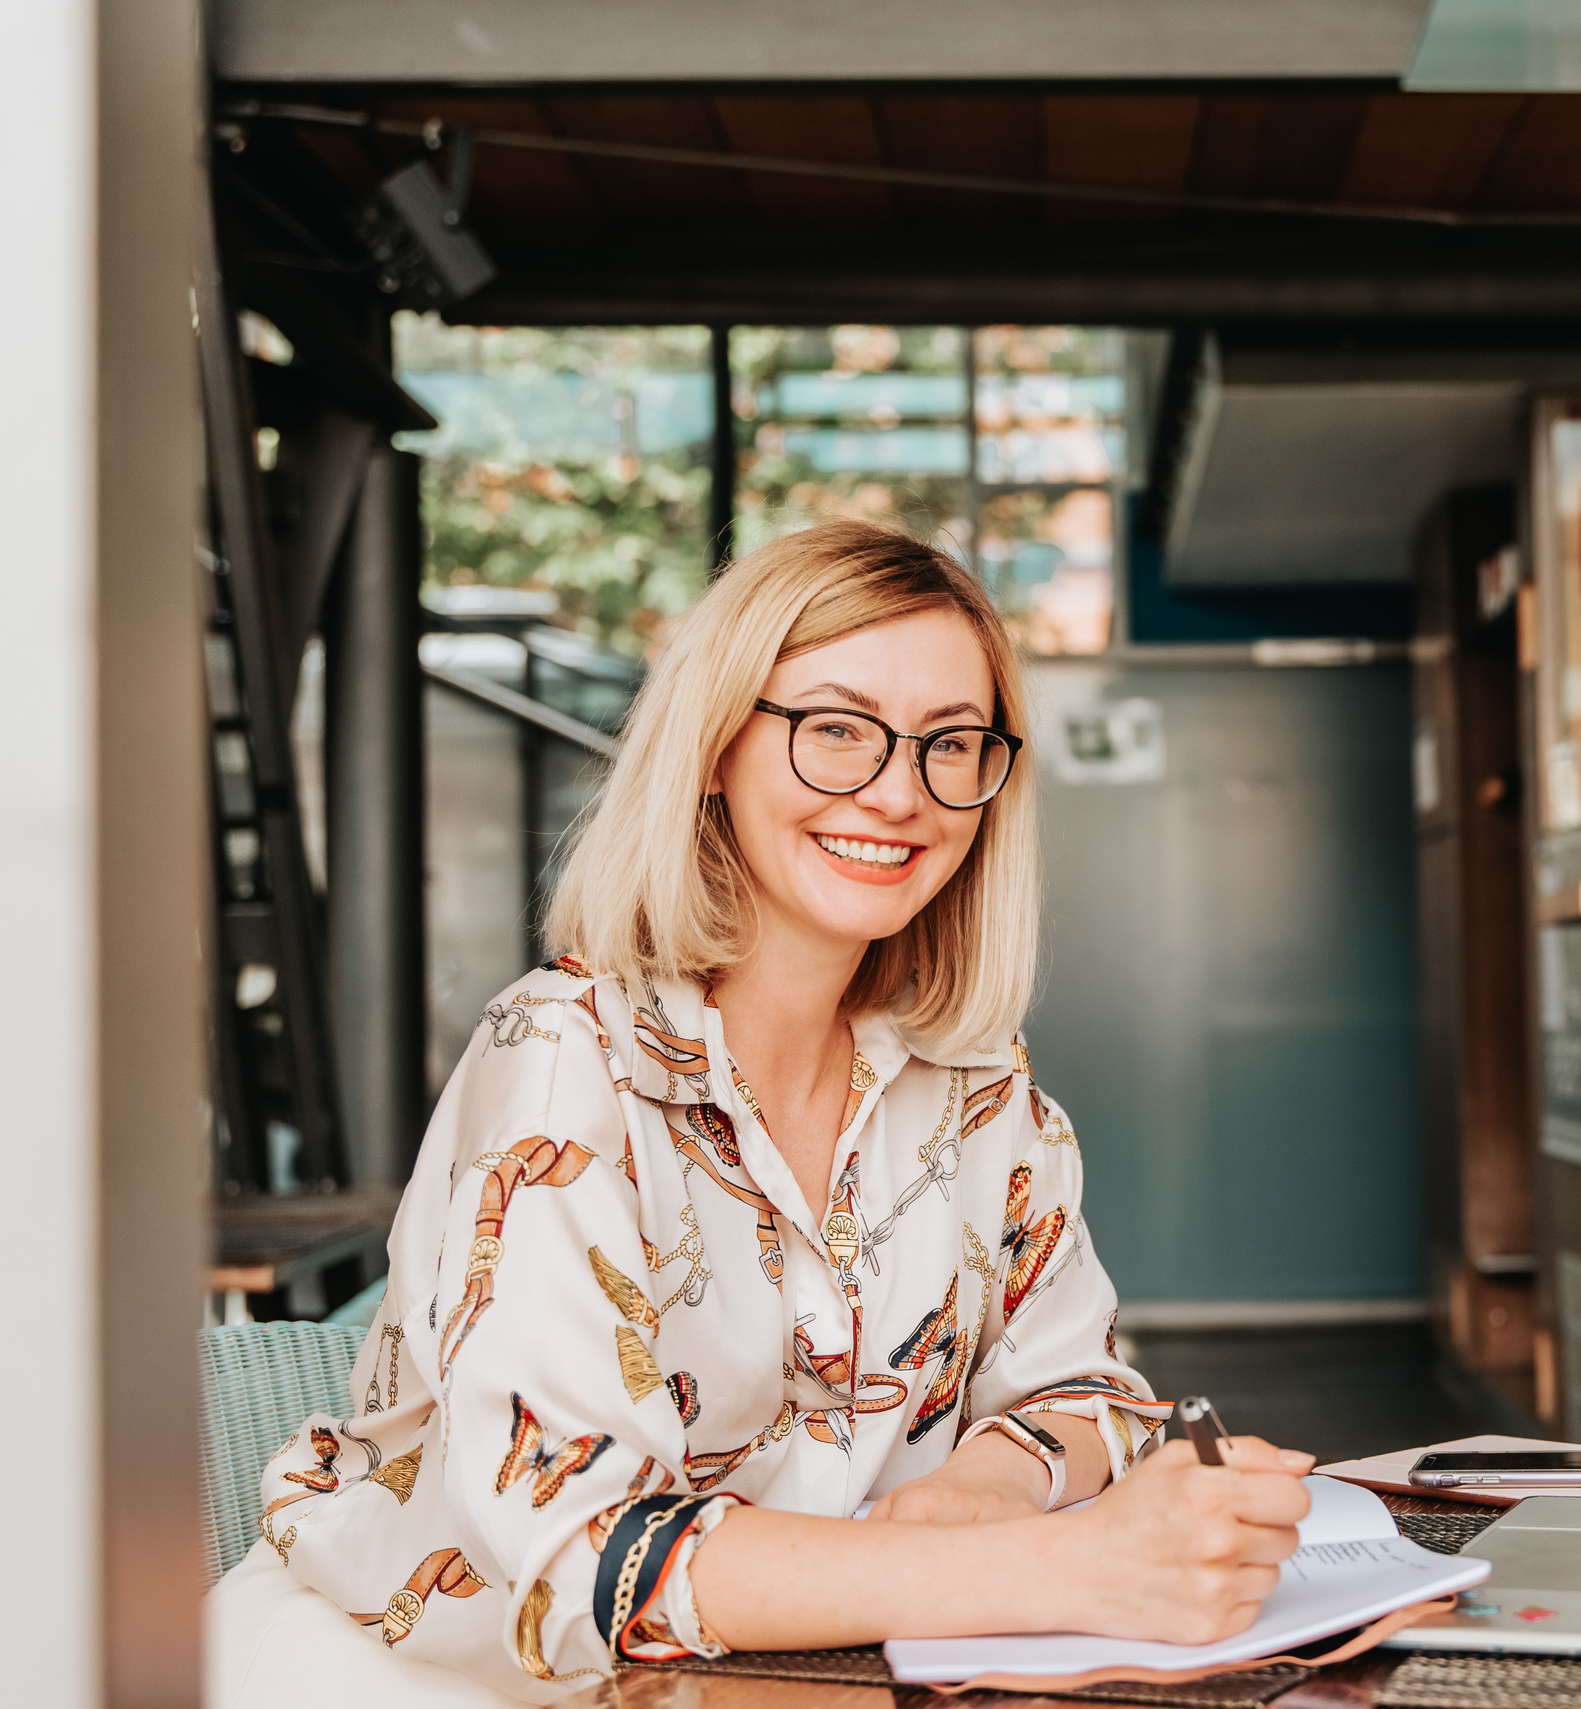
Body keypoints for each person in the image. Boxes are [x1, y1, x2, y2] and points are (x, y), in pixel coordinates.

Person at [207, 521, 1314, 1704]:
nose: (899, 792)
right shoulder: (562, 1058)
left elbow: (1086, 1393)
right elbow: (582, 1560)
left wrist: (974, 1492)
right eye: (837, 728)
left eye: (951, 743)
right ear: (716, 747)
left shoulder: (980, 1089)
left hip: (796, 1674)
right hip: (431, 1677)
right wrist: (1059, 1563)